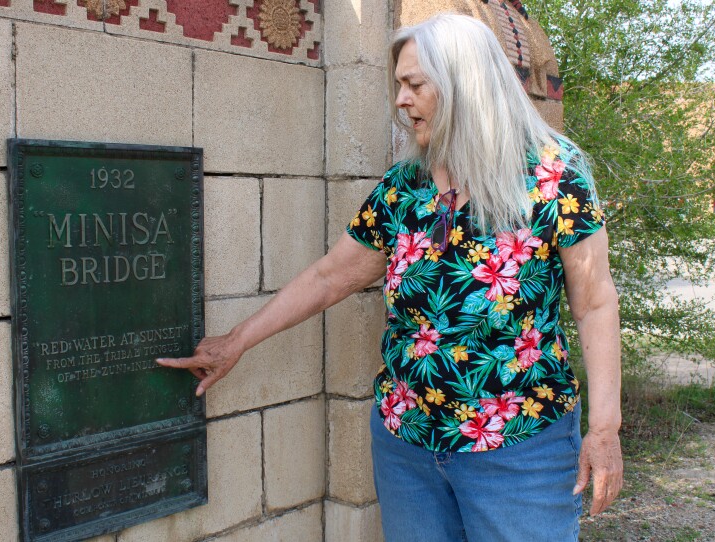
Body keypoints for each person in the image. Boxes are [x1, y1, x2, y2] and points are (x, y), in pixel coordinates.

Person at [159, 13, 622, 542]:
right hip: (408, 448)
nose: (400, 100)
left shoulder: (552, 177)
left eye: (414, 85)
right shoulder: (405, 186)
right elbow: (332, 276)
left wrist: (604, 429)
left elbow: (594, 303)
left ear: (462, 85)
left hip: (520, 452)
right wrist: (237, 341)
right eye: (399, 84)